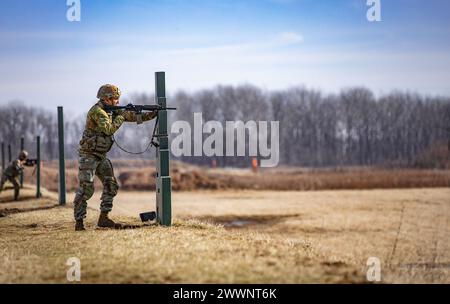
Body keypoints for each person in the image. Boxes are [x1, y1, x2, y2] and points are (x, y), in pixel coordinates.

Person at [73, 84, 157, 231]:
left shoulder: (112, 111)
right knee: (86, 189)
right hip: (88, 156)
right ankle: (79, 223)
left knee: (111, 185)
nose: (118, 102)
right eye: (116, 99)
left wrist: (153, 114)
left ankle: (104, 219)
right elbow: (108, 129)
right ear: (107, 98)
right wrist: (121, 116)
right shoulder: (97, 111)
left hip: (100, 156)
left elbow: (133, 117)